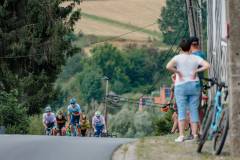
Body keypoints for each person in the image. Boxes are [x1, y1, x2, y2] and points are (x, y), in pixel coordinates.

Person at [166, 39, 210, 142]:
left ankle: (181, 136)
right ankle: (194, 135)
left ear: (180, 48)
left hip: (181, 86)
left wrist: (178, 72)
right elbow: (207, 65)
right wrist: (196, 70)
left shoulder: (177, 58)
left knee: (181, 110)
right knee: (194, 110)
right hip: (194, 85)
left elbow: (168, 66)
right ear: (190, 47)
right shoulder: (196, 57)